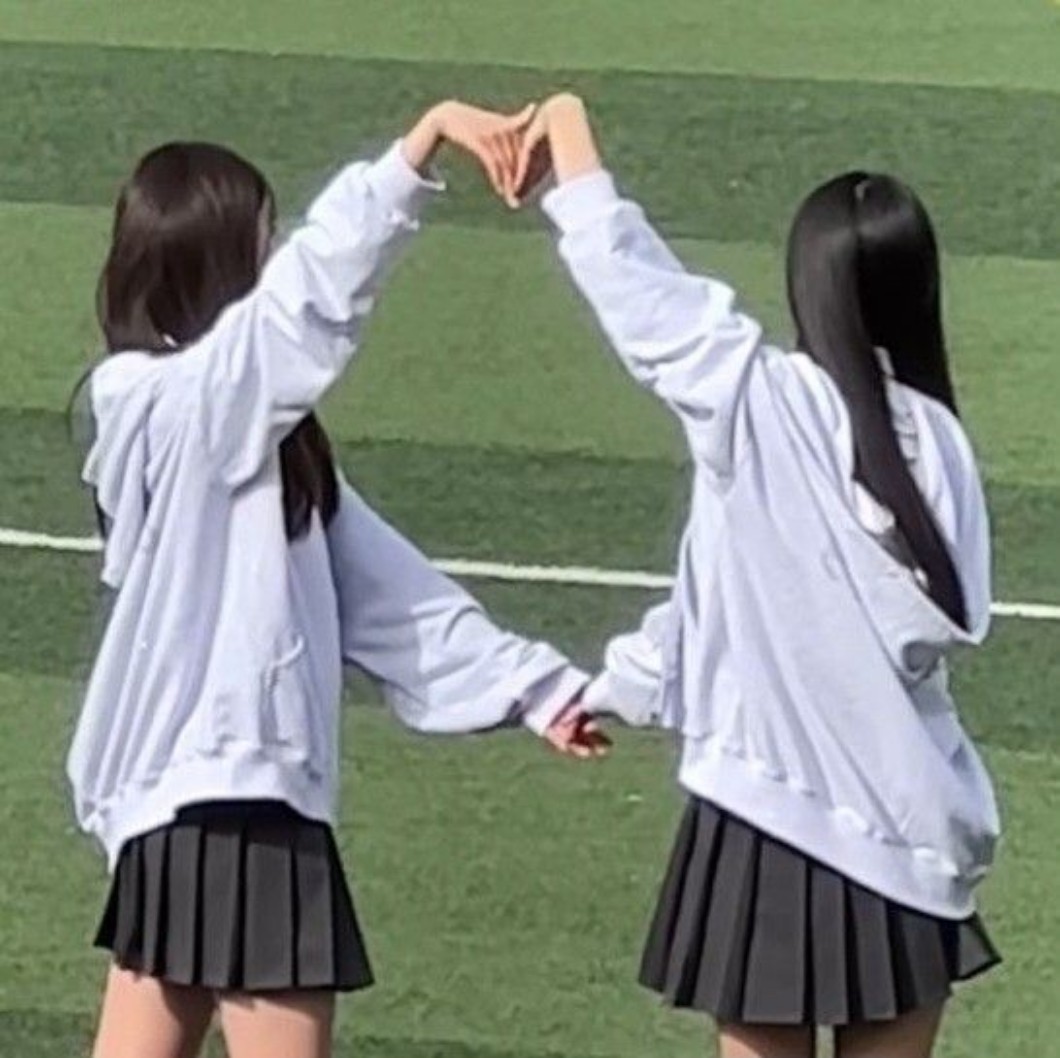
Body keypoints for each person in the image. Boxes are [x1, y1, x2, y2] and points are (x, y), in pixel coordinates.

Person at [70, 99, 604, 1058]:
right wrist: (415, 151)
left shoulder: (261, 436)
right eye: (262, 240)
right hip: (239, 806)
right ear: (214, 262)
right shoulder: (163, 403)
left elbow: (388, 594)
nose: (274, 257)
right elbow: (294, 315)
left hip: (201, 806)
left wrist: (534, 690)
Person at [511, 94, 1000, 1058]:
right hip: (908, 833)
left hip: (768, 816)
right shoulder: (941, 442)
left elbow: (637, 290)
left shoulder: (756, 397)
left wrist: (567, 130)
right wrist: (618, 686)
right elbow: (735, 597)